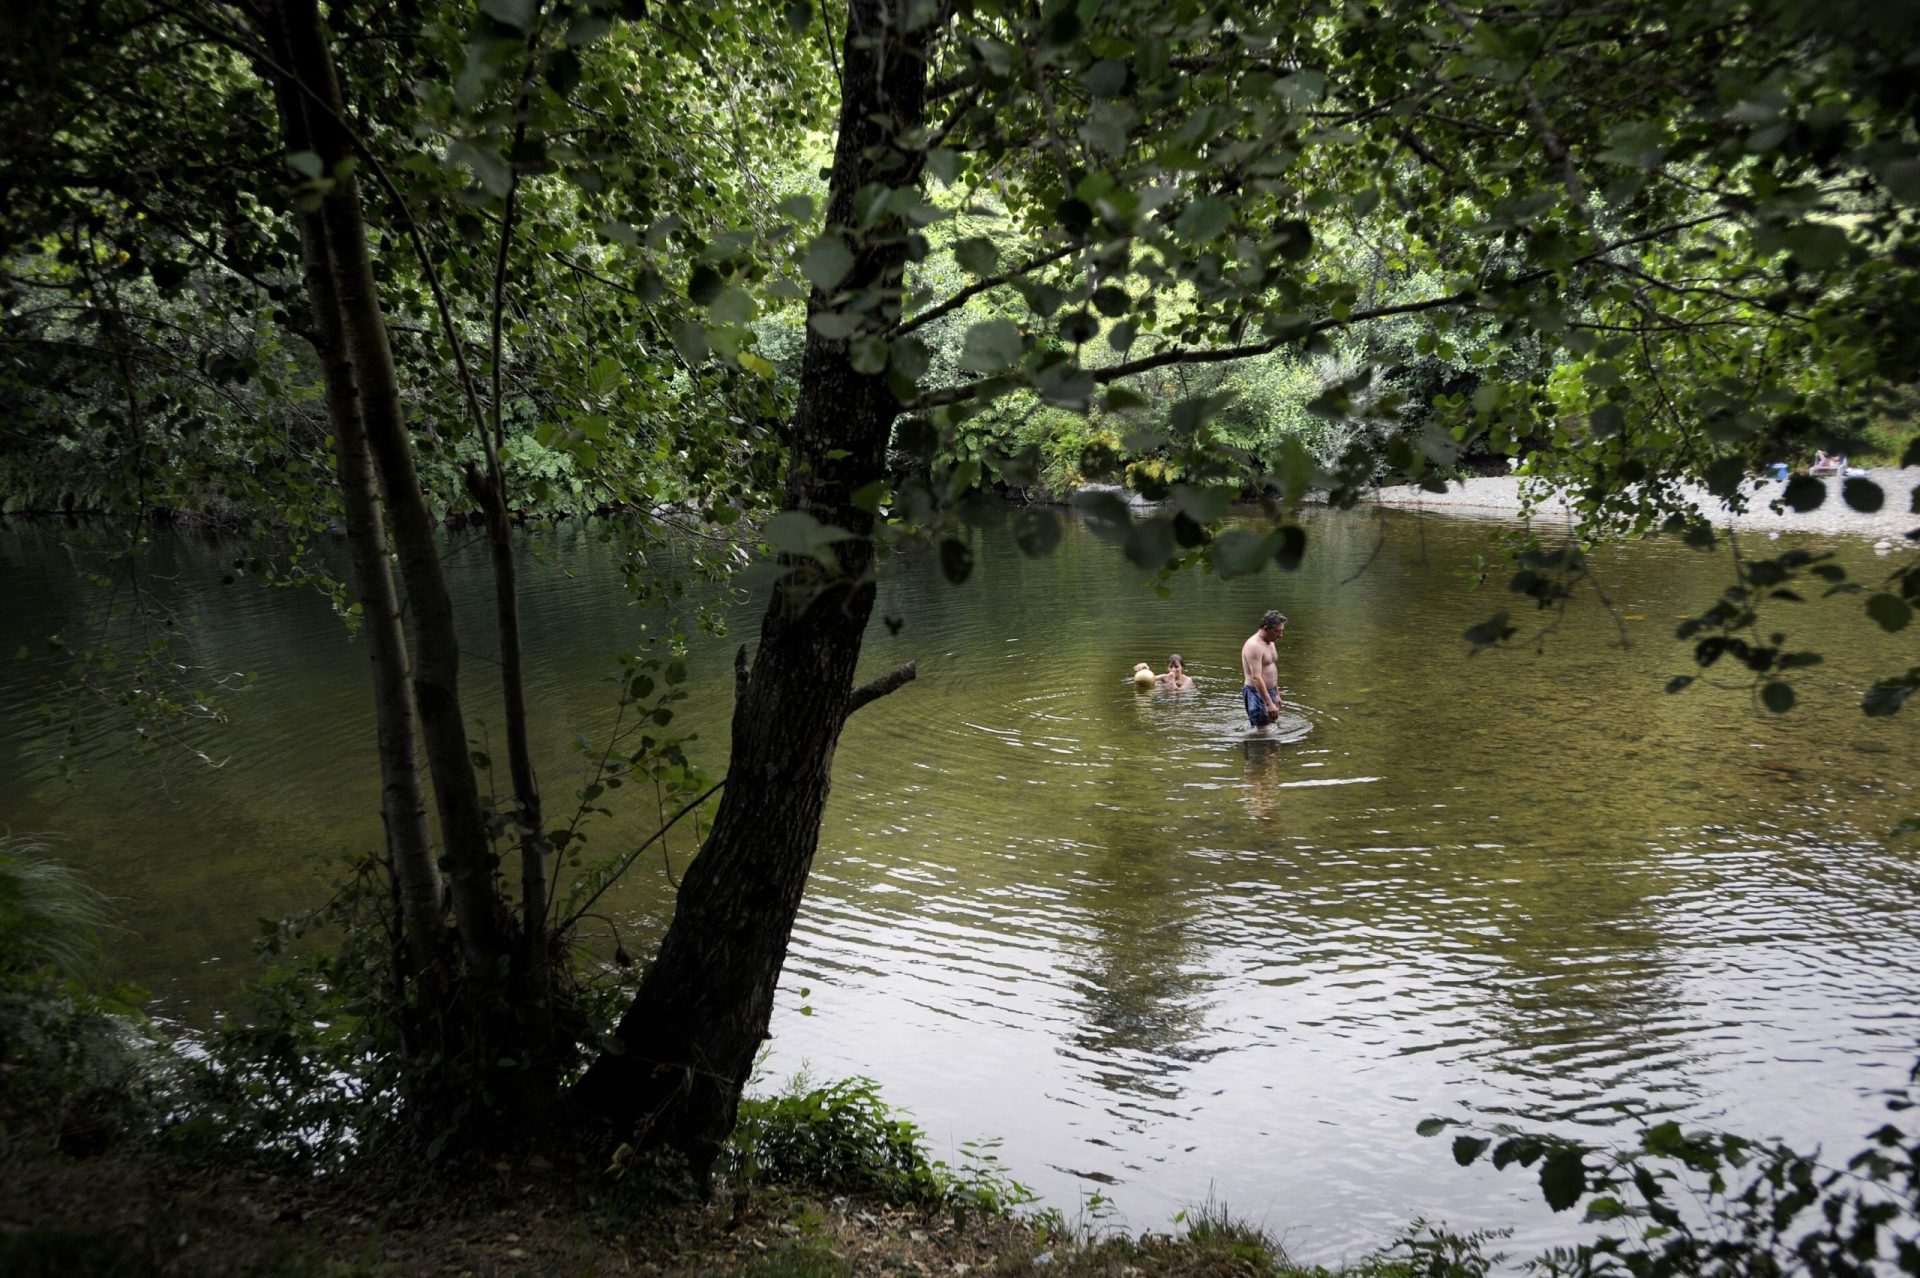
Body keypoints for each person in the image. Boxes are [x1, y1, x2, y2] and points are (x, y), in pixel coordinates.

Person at [1240, 609, 1286, 730]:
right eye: (1277, 631)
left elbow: (1272, 668)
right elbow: (1256, 677)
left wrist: (1276, 694)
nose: (1280, 635)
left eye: (1282, 631)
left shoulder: (1271, 642)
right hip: (1257, 694)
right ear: (1266, 629)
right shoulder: (1254, 645)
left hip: (1269, 693)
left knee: (1271, 729)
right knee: (1263, 734)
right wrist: (1268, 703)